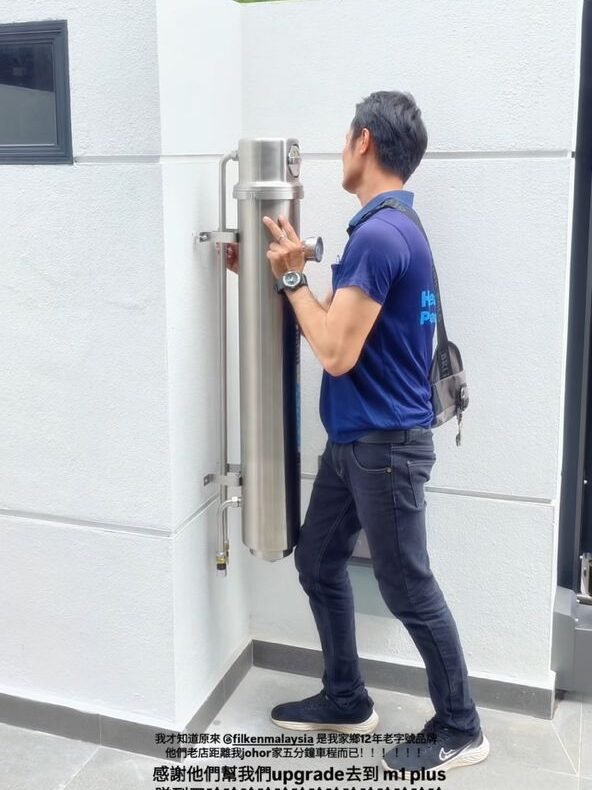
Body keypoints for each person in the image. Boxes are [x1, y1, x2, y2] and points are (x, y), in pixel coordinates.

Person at [225, 90, 489, 774]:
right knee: (318, 561)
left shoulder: (379, 236)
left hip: (385, 449)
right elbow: (342, 321)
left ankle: (461, 726)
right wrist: (279, 275)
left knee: (408, 588)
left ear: (363, 140)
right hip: (356, 444)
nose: (341, 148)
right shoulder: (394, 227)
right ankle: (346, 698)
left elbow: (335, 351)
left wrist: (290, 278)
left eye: (345, 137)